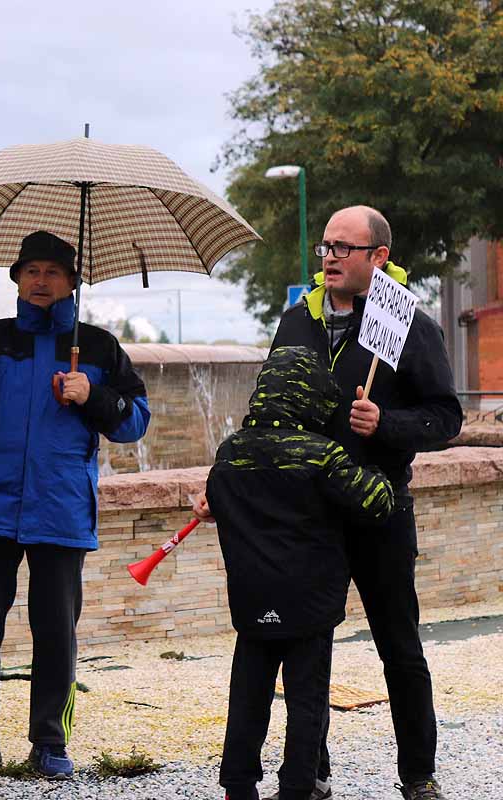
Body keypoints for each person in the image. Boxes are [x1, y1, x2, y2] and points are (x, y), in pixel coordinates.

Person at [195, 206, 461, 800]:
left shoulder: (409, 325)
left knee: (400, 645)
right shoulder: (297, 321)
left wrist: (386, 423)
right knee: (303, 646)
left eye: (346, 247)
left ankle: (418, 774)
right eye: (326, 247)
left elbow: (446, 418)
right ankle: (310, 773)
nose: (332, 256)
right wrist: (237, 477)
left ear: (379, 258)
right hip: (305, 518)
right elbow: (268, 410)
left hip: (379, 510)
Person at [0, 231, 151, 780]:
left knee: (56, 633)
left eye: (53, 271)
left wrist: (90, 395)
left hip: (61, 511)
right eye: (32, 271)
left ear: (72, 280)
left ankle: (50, 742)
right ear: (17, 279)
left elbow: (136, 419)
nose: (42, 281)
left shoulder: (98, 346)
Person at [205, 346, 394, 800]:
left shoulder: (230, 453)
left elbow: (219, 501)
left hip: (251, 599)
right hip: (309, 603)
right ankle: (298, 787)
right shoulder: (321, 456)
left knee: (248, 693)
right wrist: (373, 465)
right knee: (306, 700)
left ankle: (237, 786)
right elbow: (377, 502)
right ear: (312, 398)